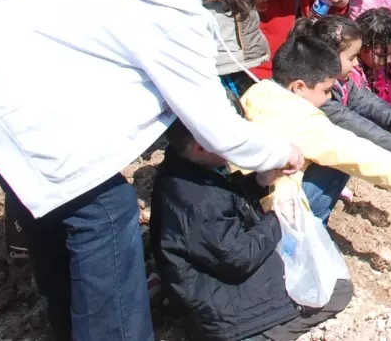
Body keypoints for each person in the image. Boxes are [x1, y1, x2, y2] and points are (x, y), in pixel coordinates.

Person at [0, 0, 303, 341]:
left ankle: (68, 324)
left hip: (9, 85)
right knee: (105, 213)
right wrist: (282, 153)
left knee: (52, 215)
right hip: (26, 113)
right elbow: (217, 130)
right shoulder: (175, 18)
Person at [150, 119, 353, 341]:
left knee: (317, 276)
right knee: (338, 291)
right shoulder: (198, 199)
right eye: (229, 140)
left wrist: (258, 182)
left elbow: (224, 206)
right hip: (223, 311)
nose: (237, 144)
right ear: (201, 147)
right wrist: (276, 220)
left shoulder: (185, 168)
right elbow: (238, 257)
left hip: (213, 283)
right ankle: (258, 334)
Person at [239, 32, 391, 225]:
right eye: (325, 91)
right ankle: (312, 227)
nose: (327, 98)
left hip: (247, 192)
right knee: (337, 165)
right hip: (271, 207)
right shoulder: (296, 115)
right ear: (299, 87)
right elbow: (343, 147)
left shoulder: (261, 93)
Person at [292, 17, 391, 221]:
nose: (356, 63)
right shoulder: (318, 94)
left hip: (316, 160)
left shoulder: (338, 83)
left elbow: (367, 102)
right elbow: (352, 123)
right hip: (296, 180)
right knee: (339, 165)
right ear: (328, 57)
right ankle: (312, 223)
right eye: (352, 57)